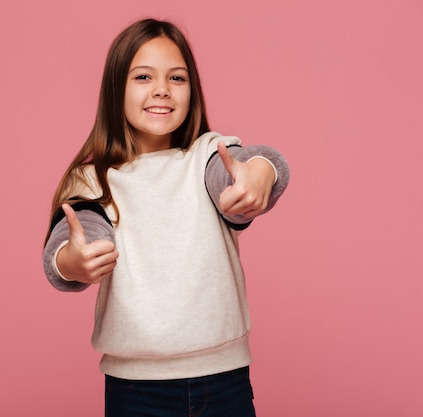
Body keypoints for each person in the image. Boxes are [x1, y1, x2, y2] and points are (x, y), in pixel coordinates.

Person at [43, 18, 289, 417]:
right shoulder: (92, 179)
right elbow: (76, 237)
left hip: (224, 379)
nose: (161, 89)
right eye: (143, 76)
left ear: (192, 91)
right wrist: (75, 260)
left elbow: (240, 169)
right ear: (115, 90)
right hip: (135, 391)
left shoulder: (208, 154)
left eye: (177, 78)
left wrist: (261, 172)